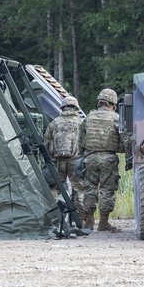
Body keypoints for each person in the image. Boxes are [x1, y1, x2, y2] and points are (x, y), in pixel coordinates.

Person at [77, 88, 127, 232]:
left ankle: (89, 222)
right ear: (112, 103)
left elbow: (81, 138)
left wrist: (82, 155)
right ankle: (103, 223)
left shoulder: (88, 117)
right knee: (107, 190)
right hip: (108, 158)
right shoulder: (116, 118)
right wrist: (127, 152)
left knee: (90, 189)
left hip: (90, 157)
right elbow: (124, 137)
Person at [43, 95, 86, 226]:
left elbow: (46, 141)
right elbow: (86, 142)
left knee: (55, 188)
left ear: (62, 107)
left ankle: (55, 219)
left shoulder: (54, 122)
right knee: (78, 189)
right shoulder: (81, 122)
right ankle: (79, 221)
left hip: (58, 161)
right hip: (76, 161)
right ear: (76, 108)